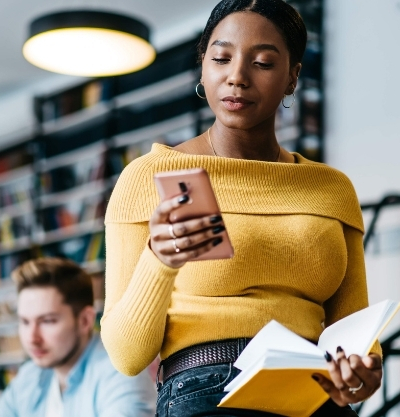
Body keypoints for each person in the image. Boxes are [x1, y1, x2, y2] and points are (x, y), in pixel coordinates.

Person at [100, 1, 382, 416]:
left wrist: (362, 371)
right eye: (221, 58)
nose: (237, 77)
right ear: (203, 68)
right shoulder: (148, 177)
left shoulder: (331, 188)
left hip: (313, 393)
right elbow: (127, 357)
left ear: (292, 78)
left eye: (263, 62)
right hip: (206, 391)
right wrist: (159, 261)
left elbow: (353, 328)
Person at [0, 257, 155, 417]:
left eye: (47, 321)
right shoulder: (30, 375)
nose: (32, 338)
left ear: (85, 320)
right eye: (25, 322)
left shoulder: (120, 372)